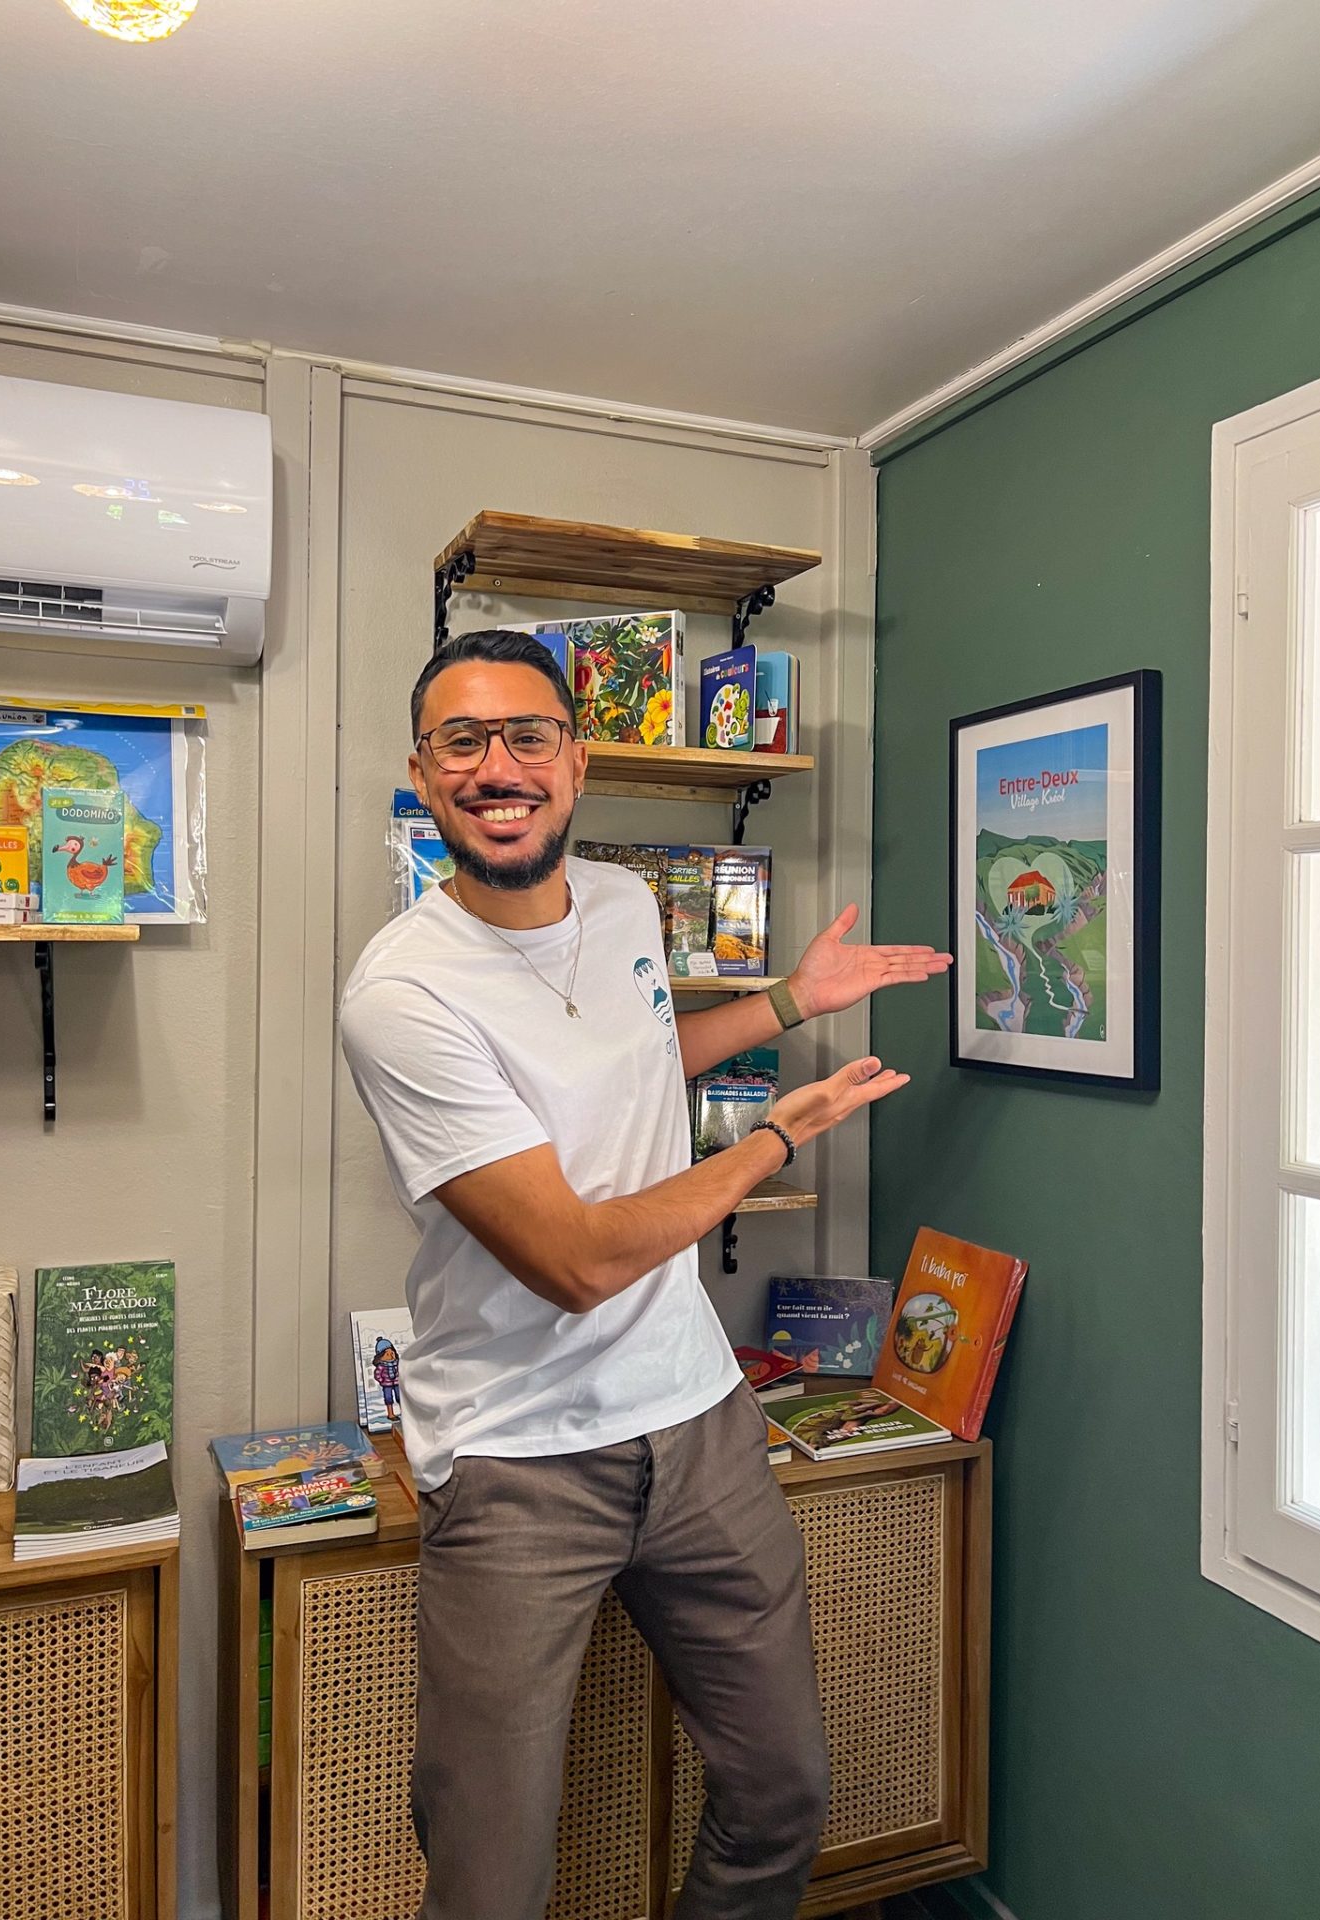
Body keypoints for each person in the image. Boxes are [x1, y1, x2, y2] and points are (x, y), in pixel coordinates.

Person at [339, 628, 950, 1920]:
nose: (498, 766)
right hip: (516, 1459)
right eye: (464, 741)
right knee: (490, 1877)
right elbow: (576, 1259)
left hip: (698, 1423)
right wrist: (779, 1134)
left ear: (577, 758)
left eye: (528, 736)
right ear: (422, 772)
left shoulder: (621, 903)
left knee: (784, 1790)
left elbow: (638, 1056)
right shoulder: (402, 994)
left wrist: (789, 1000)